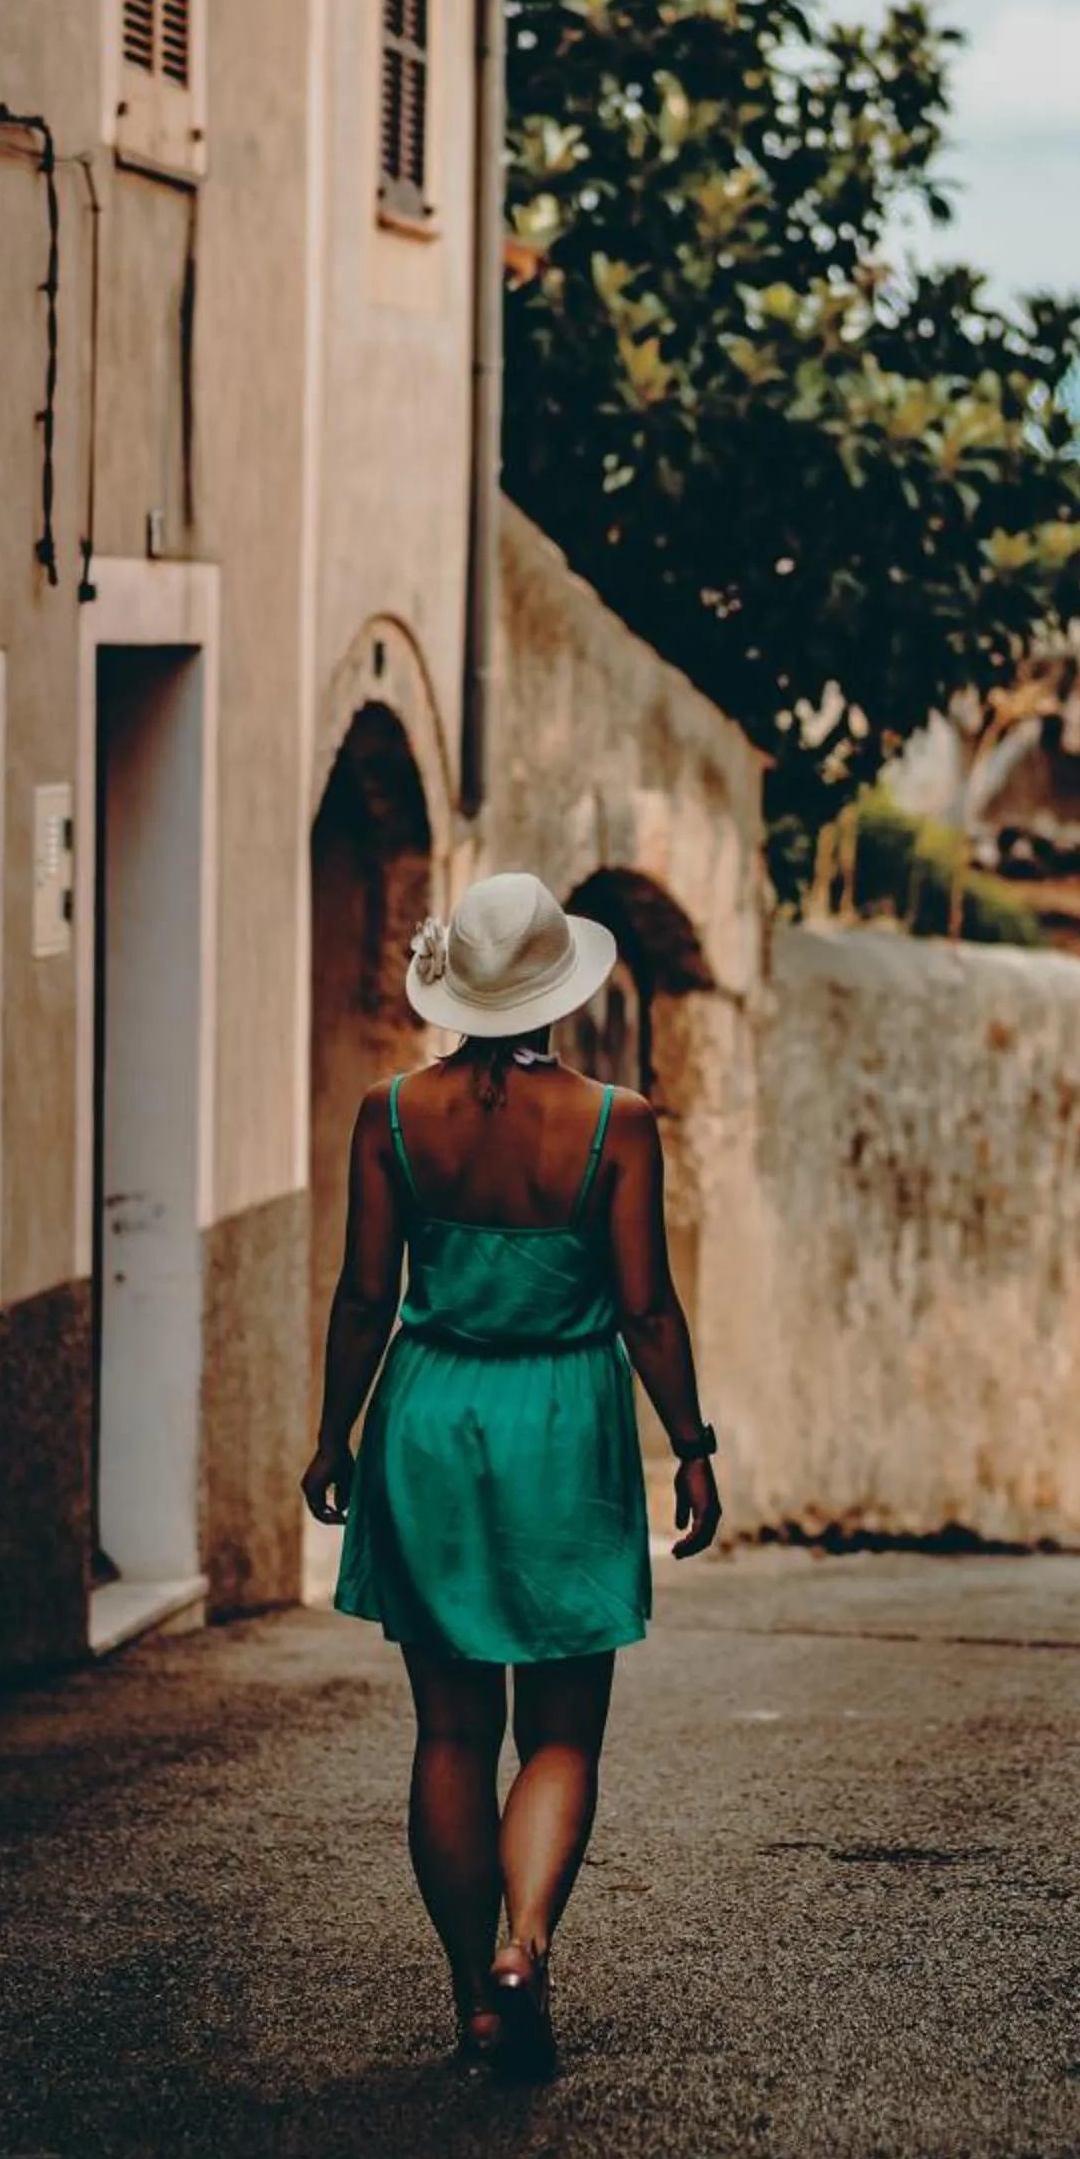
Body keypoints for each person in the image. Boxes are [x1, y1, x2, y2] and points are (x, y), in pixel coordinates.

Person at [303, 871, 721, 2077]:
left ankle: (467, 1995)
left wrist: (334, 1436)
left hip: (428, 1418)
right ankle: (526, 1949)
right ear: (557, 991)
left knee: (448, 1728)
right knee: (559, 1733)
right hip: (562, 1427)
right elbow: (645, 1307)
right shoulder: (616, 1122)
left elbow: (365, 1296)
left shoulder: (389, 1116)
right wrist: (690, 1446)